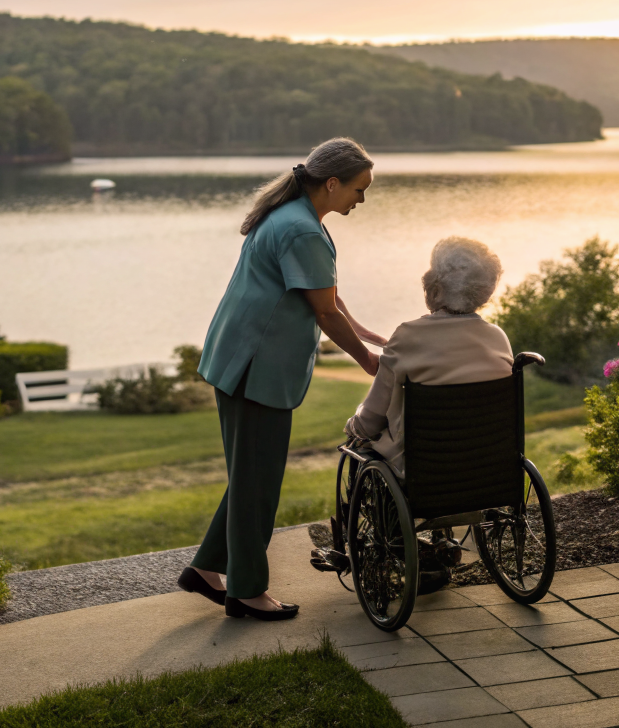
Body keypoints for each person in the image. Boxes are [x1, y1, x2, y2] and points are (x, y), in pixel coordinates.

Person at [176, 137, 386, 621]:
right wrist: (367, 361)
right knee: (258, 485)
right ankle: (246, 591)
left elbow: (325, 298)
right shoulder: (302, 230)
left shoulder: (294, 216)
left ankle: (207, 569)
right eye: (359, 189)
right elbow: (325, 314)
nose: (361, 199)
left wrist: (371, 335)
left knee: (250, 477)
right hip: (255, 371)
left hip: (242, 364)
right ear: (332, 183)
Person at [344, 236, 513, 478]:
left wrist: (353, 426)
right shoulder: (498, 338)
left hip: (423, 472)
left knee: (358, 446)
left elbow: (370, 421)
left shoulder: (407, 337)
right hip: (487, 469)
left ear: (433, 287)